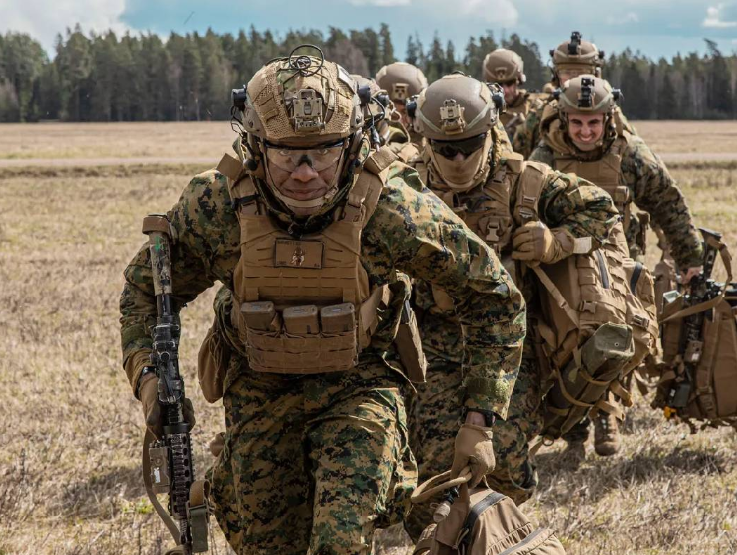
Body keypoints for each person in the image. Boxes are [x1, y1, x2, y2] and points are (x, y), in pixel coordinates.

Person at [120, 51, 526, 555]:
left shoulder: (392, 209)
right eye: (286, 154)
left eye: (325, 152)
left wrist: (480, 419)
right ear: (255, 145)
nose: (306, 173)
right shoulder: (216, 207)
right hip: (258, 388)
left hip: (361, 386)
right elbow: (145, 291)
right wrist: (149, 379)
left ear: (353, 145)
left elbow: (492, 296)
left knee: (340, 540)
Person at [402, 73, 618, 540]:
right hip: (431, 351)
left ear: (490, 131)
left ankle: (496, 536)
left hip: (509, 351)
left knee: (505, 461)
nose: (458, 159)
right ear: (425, 139)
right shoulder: (404, 184)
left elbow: (602, 211)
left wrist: (556, 241)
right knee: (433, 467)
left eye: (469, 146)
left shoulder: (526, 182)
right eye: (445, 148)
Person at [529, 74, 704, 459]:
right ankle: (575, 426)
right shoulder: (545, 156)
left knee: (624, 336)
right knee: (564, 342)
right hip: (564, 264)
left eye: (593, 122)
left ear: (608, 118)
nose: (585, 131)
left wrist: (690, 257)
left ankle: (609, 412)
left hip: (623, 264)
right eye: (577, 122)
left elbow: (669, 204)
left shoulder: (631, 155)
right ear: (564, 118)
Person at [512, 31, 637, 159]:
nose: (575, 79)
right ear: (556, 75)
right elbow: (519, 158)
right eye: (567, 72)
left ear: (596, 75)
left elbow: (631, 149)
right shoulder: (540, 115)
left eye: (582, 72)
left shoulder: (611, 115)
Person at [482, 48, 546, 150]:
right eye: (498, 85)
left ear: (518, 81)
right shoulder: (482, 110)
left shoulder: (536, 106)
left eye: (509, 83)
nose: (505, 91)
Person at [375, 61, 429, 151]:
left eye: (404, 112)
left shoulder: (428, 147)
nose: (399, 119)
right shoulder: (370, 141)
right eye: (392, 112)